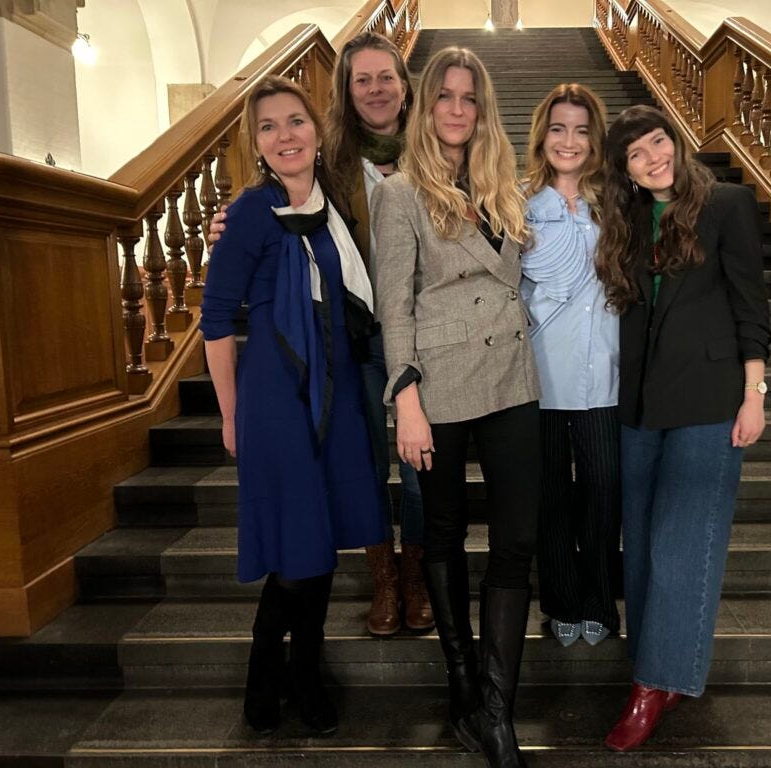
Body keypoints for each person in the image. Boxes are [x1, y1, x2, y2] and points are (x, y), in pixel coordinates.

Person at [209, 32, 432, 637]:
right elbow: (280, 210)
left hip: (424, 329)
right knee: (363, 461)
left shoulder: (435, 152)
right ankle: (384, 579)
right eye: (362, 80)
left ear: (405, 85)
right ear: (345, 91)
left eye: (386, 77)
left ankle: (415, 575)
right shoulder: (330, 161)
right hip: (353, 335)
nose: (376, 89)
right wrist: (229, 223)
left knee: (421, 470)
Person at [200, 75, 385, 734]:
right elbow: (215, 321)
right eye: (269, 126)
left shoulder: (333, 205)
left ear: (317, 130)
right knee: (296, 545)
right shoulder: (251, 213)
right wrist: (230, 414)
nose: (285, 135)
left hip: (336, 394)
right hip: (276, 401)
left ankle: (301, 670)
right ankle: (273, 673)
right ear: (256, 144)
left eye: (295, 121)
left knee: (320, 538)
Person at [371, 46, 539, 768]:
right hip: (436, 382)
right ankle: (462, 680)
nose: (458, 109)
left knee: (517, 538)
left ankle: (496, 709)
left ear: (483, 108)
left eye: (470, 97)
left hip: (512, 376)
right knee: (441, 533)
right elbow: (394, 304)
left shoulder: (505, 186)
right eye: (445, 95)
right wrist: (405, 398)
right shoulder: (401, 192)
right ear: (426, 104)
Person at [595, 105, 771, 751]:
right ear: (625, 171)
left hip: (709, 400)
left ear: (675, 139)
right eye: (636, 155)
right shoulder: (626, 223)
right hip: (640, 407)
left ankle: (651, 688)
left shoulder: (726, 204)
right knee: (642, 547)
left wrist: (754, 395)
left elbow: (751, 304)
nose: (654, 158)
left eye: (658, 142)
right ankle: (659, 667)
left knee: (681, 548)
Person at [520, 84, 621, 648]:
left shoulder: (617, 205)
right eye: (559, 128)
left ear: (595, 140)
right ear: (542, 136)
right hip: (539, 376)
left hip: (604, 374)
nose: (569, 140)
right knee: (551, 495)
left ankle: (600, 600)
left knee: (604, 490)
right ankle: (560, 598)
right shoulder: (519, 207)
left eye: (582, 130)